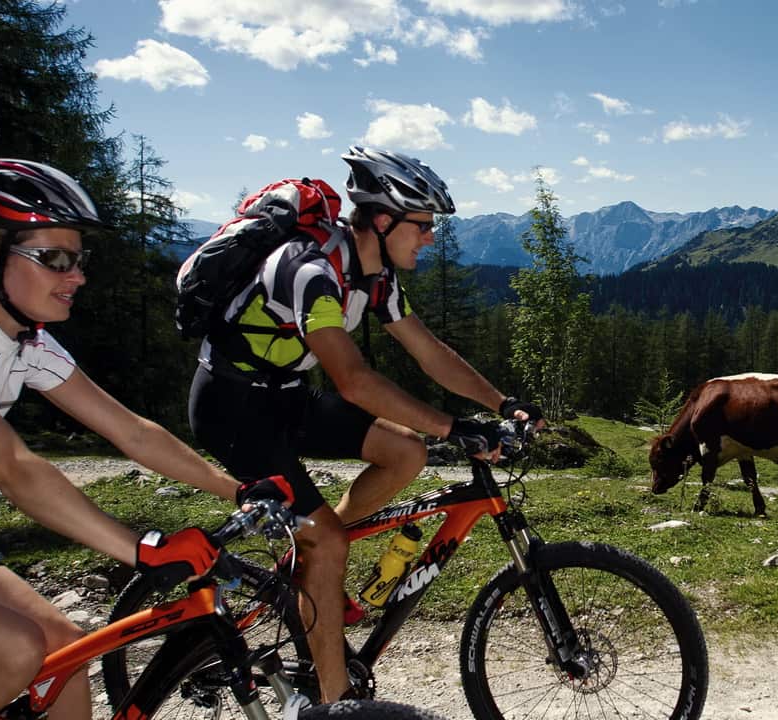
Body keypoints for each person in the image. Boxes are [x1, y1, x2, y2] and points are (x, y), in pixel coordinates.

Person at [186, 146, 543, 701]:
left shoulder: (374, 277)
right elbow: (352, 379)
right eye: (422, 226)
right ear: (383, 219)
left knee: (406, 453)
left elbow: (430, 352)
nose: (430, 238)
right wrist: (453, 427)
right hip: (232, 407)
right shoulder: (312, 272)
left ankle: (312, 563)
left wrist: (502, 404)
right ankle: (334, 706)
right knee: (329, 543)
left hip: (286, 397)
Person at [0, 159, 291, 719]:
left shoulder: (25, 341)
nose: (78, 276)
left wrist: (234, 489)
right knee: (15, 652)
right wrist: (139, 548)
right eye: (55, 259)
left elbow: (129, 430)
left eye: (79, 259)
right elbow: (13, 466)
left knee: (64, 654)